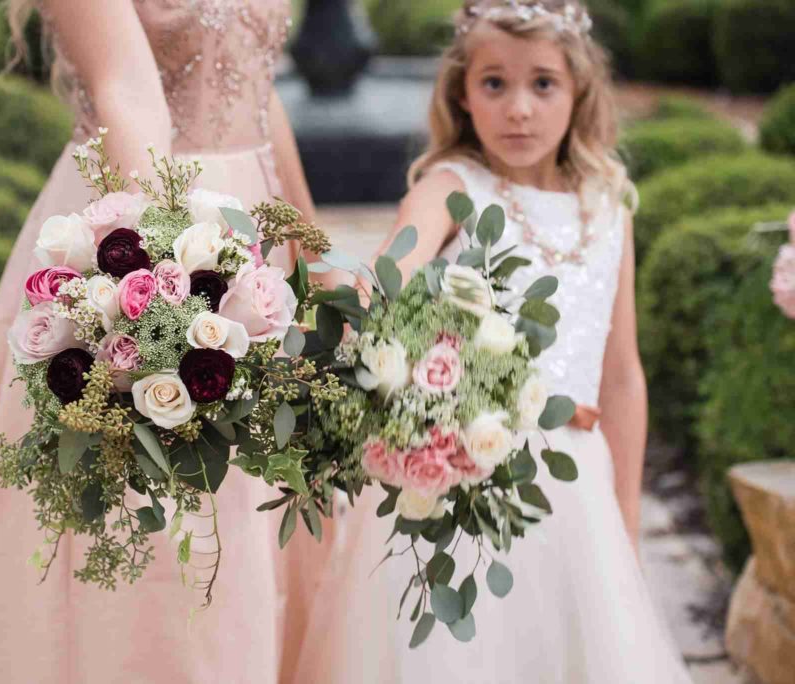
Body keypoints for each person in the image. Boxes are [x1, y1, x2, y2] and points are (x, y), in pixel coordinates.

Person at [287, 1, 693, 681]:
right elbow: (390, 272)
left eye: (543, 83)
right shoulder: (451, 188)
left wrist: (625, 518)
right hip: (464, 484)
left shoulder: (608, 205)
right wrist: (332, 317)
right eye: (494, 84)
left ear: (580, 90)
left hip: (576, 493)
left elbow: (621, 374)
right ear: (462, 93)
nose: (519, 109)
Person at [0, 2, 332, 681]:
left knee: (261, 515)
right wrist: (165, 291)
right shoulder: (155, 252)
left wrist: (314, 256)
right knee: (166, 532)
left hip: (256, 238)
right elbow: (126, 88)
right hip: (142, 221)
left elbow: (257, 88)